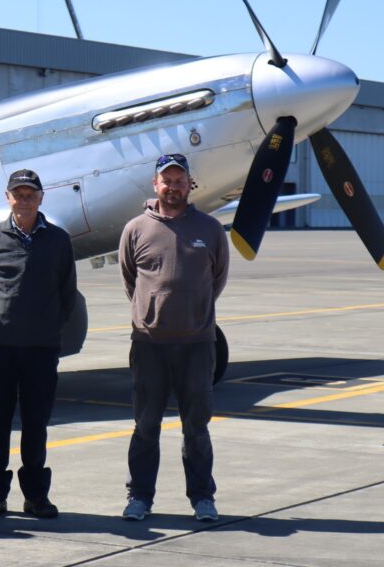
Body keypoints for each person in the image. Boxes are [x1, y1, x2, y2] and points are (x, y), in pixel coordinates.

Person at [118, 153, 229, 522]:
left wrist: (194, 312)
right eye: (167, 180)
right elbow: (130, 279)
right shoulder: (136, 228)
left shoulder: (211, 229)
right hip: (149, 344)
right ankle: (139, 498)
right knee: (145, 426)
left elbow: (218, 280)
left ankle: (202, 498)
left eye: (180, 180)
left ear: (189, 184)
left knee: (196, 427)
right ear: (156, 185)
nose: (173, 186)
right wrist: (151, 311)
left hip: (197, 345)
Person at [0, 169, 77, 519]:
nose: (24, 199)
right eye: (18, 193)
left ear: (41, 197)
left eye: (30, 193)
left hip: (40, 349)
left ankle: (35, 495)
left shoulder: (59, 240)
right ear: (8, 197)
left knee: (36, 422)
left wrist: (46, 329)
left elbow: (67, 293)